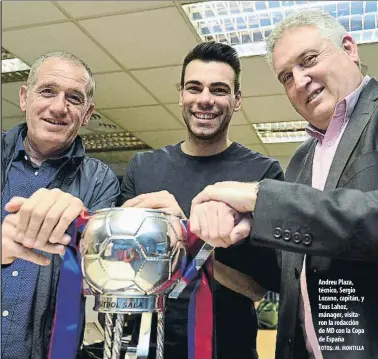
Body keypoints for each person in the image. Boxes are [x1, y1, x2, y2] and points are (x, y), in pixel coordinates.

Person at [189, 10, 378, 359]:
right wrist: (242, 227)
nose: (300, 81)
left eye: (309, 60)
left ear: (350, 48)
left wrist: (262, 198)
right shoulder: (302, 158)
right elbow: (291, 272)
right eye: (286, 77)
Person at [117, 41, 284, 359]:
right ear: (181, 94)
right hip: (146, 348)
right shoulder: (143, 167)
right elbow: (123, 271)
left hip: (227, 349)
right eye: (195, 87)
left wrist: (190, 239)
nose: (205, 99)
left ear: (236, 100)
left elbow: (259, 288)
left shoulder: (261, 175)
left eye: (219, 90)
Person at [1, 52, 120, 359]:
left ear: (88, 113)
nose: (58, 107)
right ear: (25, 98)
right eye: (48, 91)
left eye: (74, 98)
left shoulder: (101, 180)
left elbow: (103, 276)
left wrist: (82, 222)